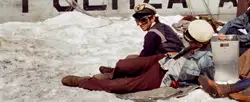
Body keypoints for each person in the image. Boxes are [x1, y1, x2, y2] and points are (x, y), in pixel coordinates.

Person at [61, 19, 215, 94]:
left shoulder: (206, 60)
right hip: (164, 59)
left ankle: (83, 81)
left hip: (164, 76)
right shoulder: (196, 41)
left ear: (199, 43)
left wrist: (181, 85)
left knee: (120, 86)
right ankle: (114, 73)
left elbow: (203, 79)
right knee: (125, 64)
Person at [99, 3, 184, 76]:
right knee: (130, 58)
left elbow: (144, 58)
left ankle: (115, 73)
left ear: (153, 18)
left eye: (143, 20)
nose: (140, 24)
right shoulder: (163, 26)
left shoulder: (152, 34)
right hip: (173, 60)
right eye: (137, 21)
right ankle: (116, 70)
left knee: (131, 61)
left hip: (166, 64)